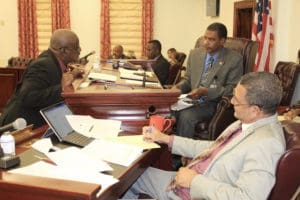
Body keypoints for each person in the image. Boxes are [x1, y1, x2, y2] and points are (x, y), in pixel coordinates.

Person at [122, 72, 286, 200]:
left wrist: (194, 181)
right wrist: (166, 139)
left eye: (236, 99)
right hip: (184, 181)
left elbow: (248, 197)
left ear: (255, 110)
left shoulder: (267, 144)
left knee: (125, 180)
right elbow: (213, 149)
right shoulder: (247, 122)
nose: (231, 102)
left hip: (193, 191)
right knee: (129, 175)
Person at [0, 29, 84, 130]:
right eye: (76, 47)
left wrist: (73, 74)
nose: (80, 50)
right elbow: (28, 97)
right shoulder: (43, 64)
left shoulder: (53, 60)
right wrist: (61, 88)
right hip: (18, 127)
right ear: (64, 50)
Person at [173, 22, 243, 138]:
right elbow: (188, 80)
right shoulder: (195, 54)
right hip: (190, 99)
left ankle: (180, 154)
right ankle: (161, 150)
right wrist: (176, 89)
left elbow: (232, 89)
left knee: (186, 116)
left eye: (211, 39)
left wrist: (206, 92)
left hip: (212, 103)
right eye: (205, 38)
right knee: (164, 109)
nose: (206, 42)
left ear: (222, 41)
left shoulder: (234, 59)